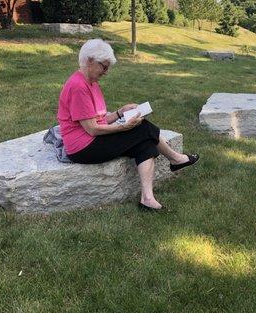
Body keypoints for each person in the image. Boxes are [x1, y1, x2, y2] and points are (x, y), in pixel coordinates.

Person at [57, 39, 199, 211]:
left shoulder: (91, 83)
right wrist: (124, 127)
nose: (106, 72)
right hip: (82, 148)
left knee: (146, 143)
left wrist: (120, 112)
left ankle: (147, 199)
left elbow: (99, 120)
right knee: (143, 128)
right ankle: (175, 159)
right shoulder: (78, 86)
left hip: (92, 140)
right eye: (104, 66)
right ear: (89, 61)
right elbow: (92, 129)